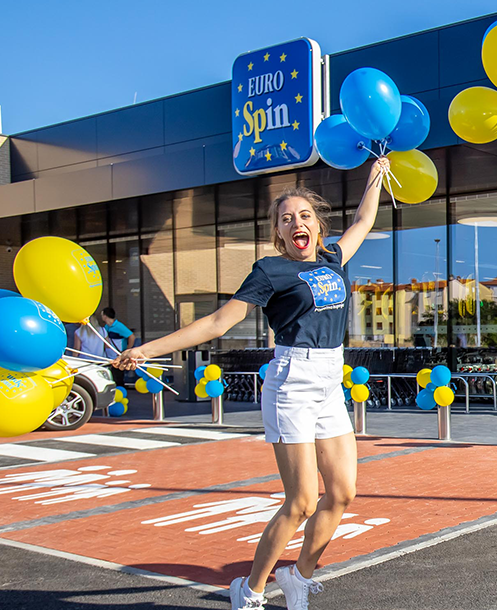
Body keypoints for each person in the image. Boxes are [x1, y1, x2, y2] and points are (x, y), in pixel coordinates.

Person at [113, 157, 391, 610]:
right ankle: (252, 588)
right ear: (278, 233)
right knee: (301, 501)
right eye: (286, 219)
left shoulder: (333, 257)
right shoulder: (270, 271)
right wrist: (149, 349)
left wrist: (376, 172)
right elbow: (220, 322)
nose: (295, 222)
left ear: (317, 225)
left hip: (329, 380)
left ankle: (298, 576)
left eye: (303, 215)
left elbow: (363, 218)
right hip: (292, 382)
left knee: (342, 493)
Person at [101, 308, 136, 385]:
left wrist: (127, 349)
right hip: (109, 356)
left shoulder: (119, 326)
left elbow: (131, 336)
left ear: (105, 316)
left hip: (118, 355)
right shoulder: (106, 327)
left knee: (118, 376)